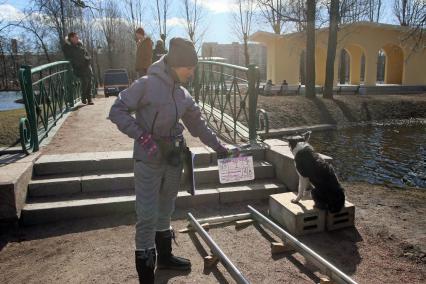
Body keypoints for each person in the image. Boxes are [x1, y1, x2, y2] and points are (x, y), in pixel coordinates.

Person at [109, 37, 230, 284]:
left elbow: (198, 125)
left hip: (173, 158)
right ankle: (146, 277)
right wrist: (143, 138)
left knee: (166, 209)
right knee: (147, 216)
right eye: (189, 67)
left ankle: (164, 258)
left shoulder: (183, 94)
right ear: (175, 64)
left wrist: (219, 146)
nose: (192, 71)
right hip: (149, 159)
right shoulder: (146, 84)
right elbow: (116, 110)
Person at [63, 32, 93, 105]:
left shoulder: (80, 45)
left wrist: (88, 59)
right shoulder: (67, 46)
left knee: (89, 82)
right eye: (76, 37)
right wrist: (77, 63)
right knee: (85, 81)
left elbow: (87, 54)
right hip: (78, 68)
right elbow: (69, 57)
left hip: (86, 66)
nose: (77, 38)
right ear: (71, 38)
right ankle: (83, 97)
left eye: (77, 37)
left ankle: (89, 99)